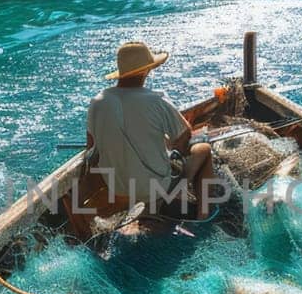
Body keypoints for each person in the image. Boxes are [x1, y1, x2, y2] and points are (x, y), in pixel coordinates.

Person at [68, 40, 213, 233]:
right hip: (154, 187)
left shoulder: (98, 102)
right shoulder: (156, 100)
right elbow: (185, 133)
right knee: (204, 149)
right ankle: (202, 216)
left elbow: (91, 147)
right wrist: (172, 149)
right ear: (146, 70)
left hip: (117, 187)